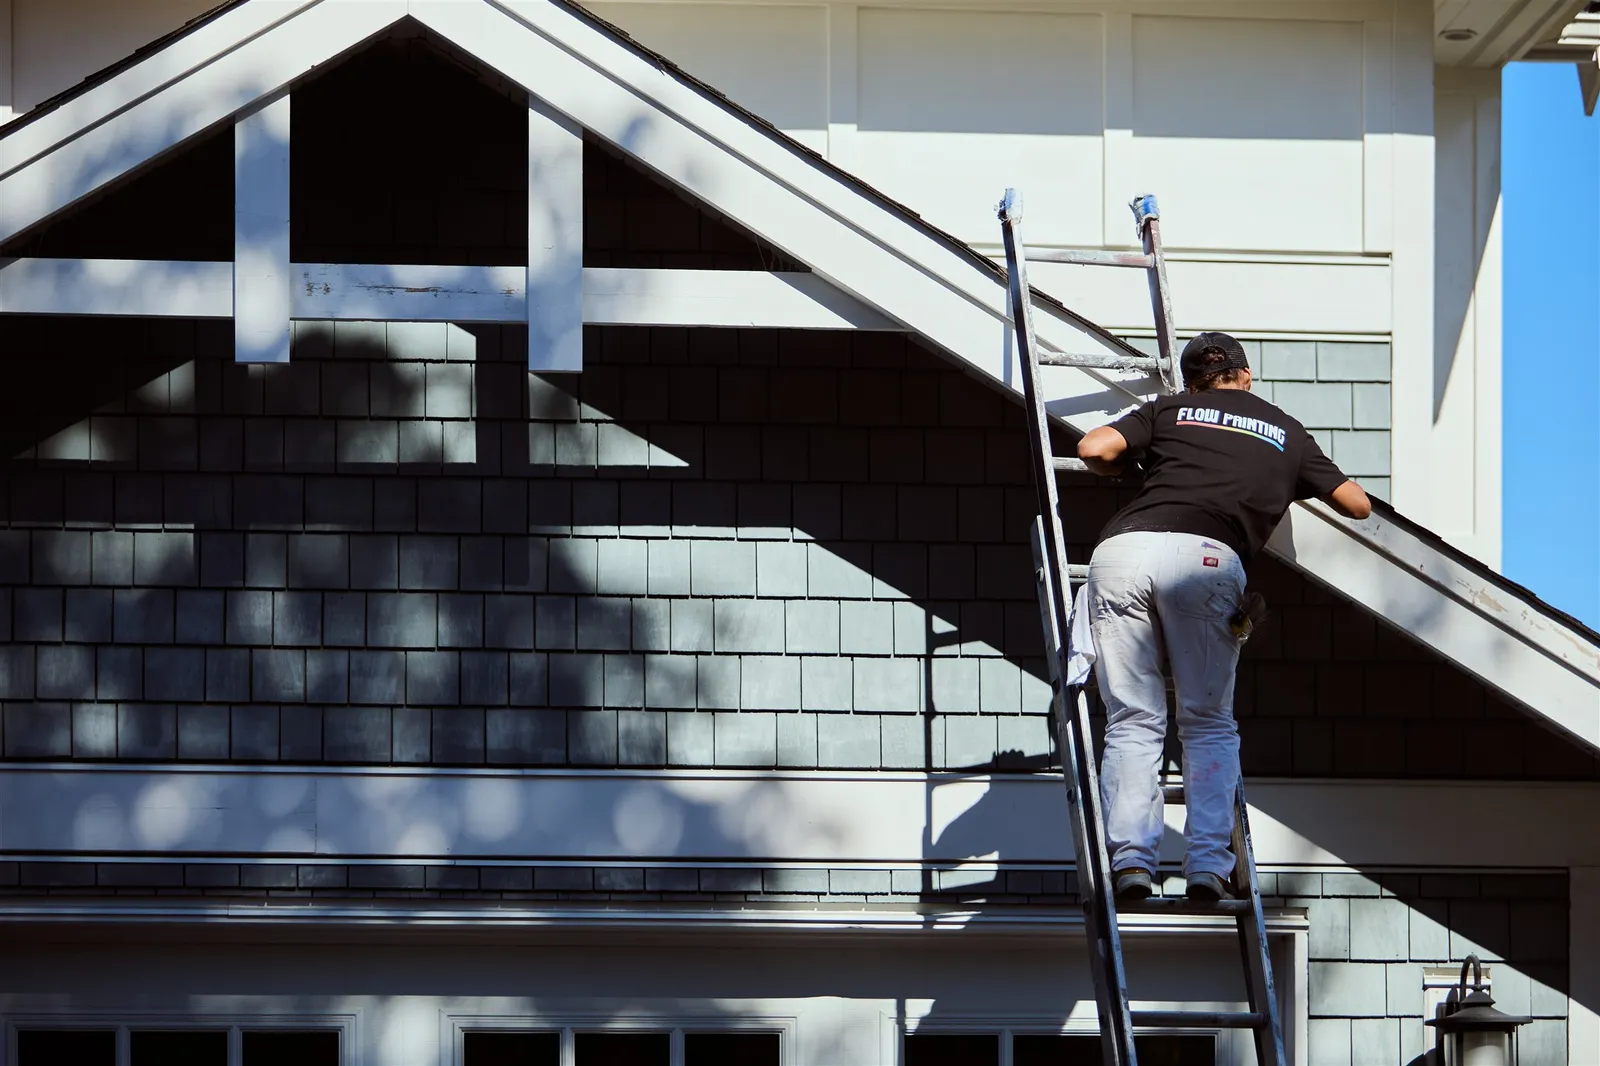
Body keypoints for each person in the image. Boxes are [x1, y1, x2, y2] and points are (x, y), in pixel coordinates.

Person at [1075, 332, 1372, 902]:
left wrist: (1134, 463)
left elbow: (1092, 448)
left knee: (1133, 719)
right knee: (1207, 721)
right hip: (1208, 559)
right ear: (1247, 374)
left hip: (1122, 552)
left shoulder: (1170, 409)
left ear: (1192, 381)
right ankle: (1207, 866)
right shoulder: (1284, 429)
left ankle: (1131, 864)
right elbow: (1355, 504)